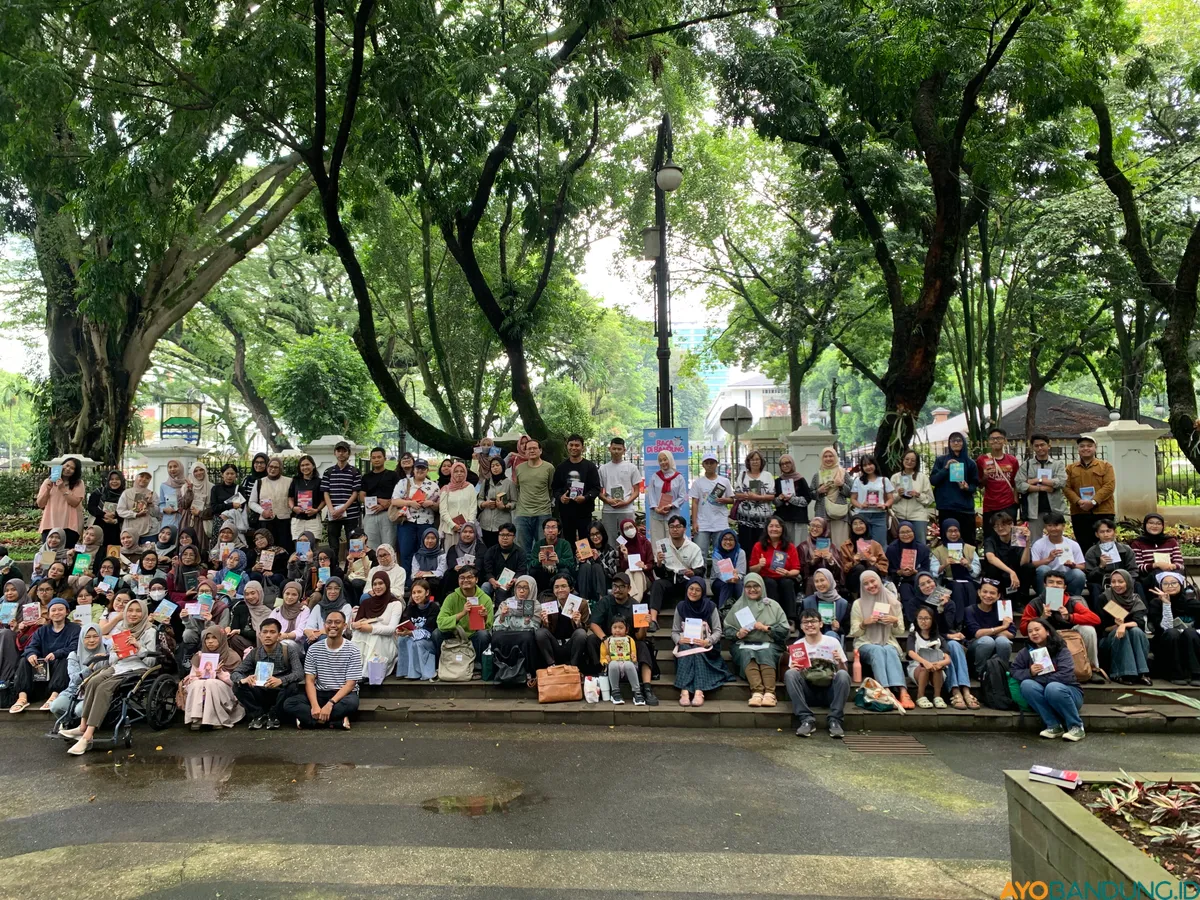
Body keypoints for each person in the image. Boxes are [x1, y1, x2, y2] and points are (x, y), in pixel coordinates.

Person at [61, 597, 157, 755]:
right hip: (119, 665)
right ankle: (82, 725)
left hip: (137, 668)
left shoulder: (149, 631)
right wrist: (117, 652)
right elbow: (112, 658)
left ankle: (88, 736)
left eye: (138, 611)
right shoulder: (120, 630)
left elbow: (151, 661)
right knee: (92, 682)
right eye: (130, 611)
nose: (133, 614)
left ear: (144, 613)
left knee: (104, 688)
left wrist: (138, 646)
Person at [284, 610, 362, 729]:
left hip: (342, 694)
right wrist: (315, 705)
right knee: (289, 703)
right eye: (329, 622)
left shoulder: (353, 650)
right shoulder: (314, 649)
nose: (333, 625)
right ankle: (335, 722)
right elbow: (309, 681)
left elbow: (350, 684)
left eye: (337, 622)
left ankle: (310, 722)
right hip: (320, 692)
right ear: (324, 625)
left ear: (345, 626)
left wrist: (330, 704)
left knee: (351, 703)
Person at [588, 573, 658, 705]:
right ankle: (601, 675)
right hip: (607, 641)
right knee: (591, 639)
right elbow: (593, 624)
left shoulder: (635, 605)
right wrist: (605, 639)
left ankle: (647, 688)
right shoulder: (605, 601)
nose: (617, 589)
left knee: (643, 645)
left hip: (629, 645)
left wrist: (644, 625)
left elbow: (640, 636)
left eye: (622, 586)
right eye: (615, 586)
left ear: (629, 589)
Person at [1012, 618, 1085, 740]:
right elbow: (1014, 671)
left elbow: (1066, 674)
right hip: (1044, 694)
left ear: (1047, 631)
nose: (1034, 633)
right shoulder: (1026, 652)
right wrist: (1030, 672)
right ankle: (1053, 725)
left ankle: (1076, 727)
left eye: (1037, 629)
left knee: (1053, 687)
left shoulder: (1061, 649)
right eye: (1030, 631)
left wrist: (1039, 679)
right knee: (1027, 685)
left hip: (1068, 693)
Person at [723, 572, 789, 708]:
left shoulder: (773, 605)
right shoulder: (738, 606)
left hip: (769, 643)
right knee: (747, 653)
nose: (752, 589)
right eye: (748, 586)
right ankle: (757, 692)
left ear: (762, 587)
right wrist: (738, 634)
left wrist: (766, 628)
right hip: (743, 644)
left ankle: (770, 693)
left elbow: (784, 630)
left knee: (766, 653)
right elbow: (727, 630)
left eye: (756, 586)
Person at [915, 571, 979, 709]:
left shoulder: (949, 603)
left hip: (944, 638)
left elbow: (947, 627)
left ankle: (965, 690)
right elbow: (921, 630)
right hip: (926, 641)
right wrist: (948, 636)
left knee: (954, 646)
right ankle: (955, 690)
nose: (927, 586)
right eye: (922, 584)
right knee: (947, 647)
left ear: (935, 582)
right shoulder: (916, 603)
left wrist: (941, 608)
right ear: (918, 588)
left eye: (930, 581)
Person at [848, 571, 912, 708]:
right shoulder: (858, 604)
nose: (870, 585)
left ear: (879, 580)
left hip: (887, 640)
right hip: (865, 642)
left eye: (873, 581)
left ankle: (903, 691)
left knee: (889, 649)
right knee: (877, 650)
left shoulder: (893, 603)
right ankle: (885, 691)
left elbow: (899, 631)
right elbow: (854, 632)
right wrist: (865, 623)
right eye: (866, 584)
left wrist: (894, 621)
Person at [1019, 570, 1102, 674]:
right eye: (1051, 582)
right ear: (1045, 585)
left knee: (1088, 630)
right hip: (1047, 638)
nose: (1055, 585)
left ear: (1064, 587)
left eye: (1059, 583)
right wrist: (1041, 618)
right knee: (1038, 632)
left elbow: (1095, 619)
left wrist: (1069, 617)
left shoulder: (1070, 601)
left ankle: (1092, 668)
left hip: (1069, 635)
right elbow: (1023, 630)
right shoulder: (1035, 603)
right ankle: (1045, 670)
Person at [785, 608, 851, 738]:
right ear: (801, 627)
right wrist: (793, 668)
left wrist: (839, 662)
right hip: (807, 691)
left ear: (820, 624)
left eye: (813, 621)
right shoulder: (798, 645)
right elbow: (794, 673)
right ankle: (806, 719)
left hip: (829, 691)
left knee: (843, 675)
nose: (809, 625)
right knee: (790, 674)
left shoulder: (832, 642)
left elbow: (844, 671)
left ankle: (835, 720)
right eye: (805, 622)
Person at [8, 597, 79, 714]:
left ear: (67, 612)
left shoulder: (74, 629)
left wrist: (56, 654)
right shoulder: (42, 630)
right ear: (49, 614)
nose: (57, 613)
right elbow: (31, 646)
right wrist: (31, 654)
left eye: (60, 609)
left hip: (59, 669)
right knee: (24, 659)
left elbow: (74, 647)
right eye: (53, 610)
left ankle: (54, 696)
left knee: (67, 659)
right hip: (41, 669)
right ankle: (22, 698)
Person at [231, 619, 304, 730]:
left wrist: (281, 681)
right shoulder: (254, 653)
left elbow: (299, 673)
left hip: (281, 691)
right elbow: (236, 672)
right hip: (261, 690)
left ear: (279, 635)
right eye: (264, 632)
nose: (268, 635)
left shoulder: (288, 650)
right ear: (260, 635)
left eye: (272, 632)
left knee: (292, 686)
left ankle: (274, 715)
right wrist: (244, 679)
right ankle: (258, 715)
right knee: (238, 685)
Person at [672, 577, 729, 706]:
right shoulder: (681, 607)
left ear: (703, 591)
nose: (693, 592)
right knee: (687, 649)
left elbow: (718, 631)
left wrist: (708, 641)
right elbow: (674, 631)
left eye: (698, 590)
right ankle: (685, 691)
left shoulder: (710, 607)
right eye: (691, 589)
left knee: (697, 652)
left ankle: (699, 690)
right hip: (686, 644)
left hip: (706, 646)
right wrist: (679, 640)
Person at [491, 574, 552, 687]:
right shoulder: (506, 603)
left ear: (532, 589)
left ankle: (527, 672)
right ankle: (501, 671)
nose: (522, 591)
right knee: (497, 636)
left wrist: (528, 620)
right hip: (507, 633)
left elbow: (534, 629)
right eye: (519, 587)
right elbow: (497, 627)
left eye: (525, 588)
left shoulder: (536, 606)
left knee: (527, 637)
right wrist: (503, 616)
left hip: (525, 635)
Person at [179, 626, 245, 729]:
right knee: (197, 683)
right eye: (207, 638)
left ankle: (216, 719)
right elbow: (192, 677)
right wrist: (198, 676)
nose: (210, 641)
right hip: (203, 689)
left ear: (221, 639)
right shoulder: (199, 656)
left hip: (226, 691)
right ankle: (197, 718)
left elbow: (236, 682)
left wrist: (220, 673)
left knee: (211, 683)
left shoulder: (232, 656)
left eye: (214, 638)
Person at [647, 515, 704, 631]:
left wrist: (692, 573)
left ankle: (690, 621)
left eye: (678, 526)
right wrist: (658, 563)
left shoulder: (693, 547)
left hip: (686, 580)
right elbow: (659, 574)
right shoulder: (662, 545)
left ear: (684, 529)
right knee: (657, 584)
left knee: (694, 584)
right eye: (672, 527)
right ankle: (653, 620)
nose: (675, 529)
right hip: (669, 579)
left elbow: (701, 570)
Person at [1099, 568, 1151, 686]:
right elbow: (1101, 627)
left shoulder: (1135, 599)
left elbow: (1140, 623)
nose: (1117, 585)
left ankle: (1142, 673)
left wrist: (1123, 625)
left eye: (1120, 582)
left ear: (1128, 582)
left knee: (1136, 631)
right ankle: (1122, 673)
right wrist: (1117, 627)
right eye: (1113, 582)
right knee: (1124, 633)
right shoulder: (1104, 598)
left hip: (1133, 636)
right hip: (1109, 640)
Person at [436, 566, 494, 670]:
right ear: (458, 580)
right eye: (462, 578)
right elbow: (440, 622)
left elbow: (489, 627)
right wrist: (462, 613)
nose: (465, 580)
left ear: (476, 580)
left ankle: (477, 665)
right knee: (437, 633)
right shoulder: (451, 598)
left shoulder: (485, 599)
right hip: (454, 634)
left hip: (473, 636)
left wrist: (484, 618)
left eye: (469, 577)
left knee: (483, 634)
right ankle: (440, 664)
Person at [49, 622, 109, 723]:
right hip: (74, 691)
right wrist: (91, 665)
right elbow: (75, 679)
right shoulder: (74, 655)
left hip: (95, 692)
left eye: (95, 636)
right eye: (87, 637)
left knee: (80, 710)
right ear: (82, 638)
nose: (91, 640)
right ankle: (69, 724)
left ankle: (86, 728)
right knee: (56, 706)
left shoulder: (108, 653)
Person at [349, 572, 405, 679]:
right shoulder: (366, 603)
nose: (377, 587)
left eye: (381, 583)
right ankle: (355, 671)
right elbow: (355, 627)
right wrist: (354, 625)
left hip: (387, 642)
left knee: (375, 636)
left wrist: (371, 628)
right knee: (359, 634)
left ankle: (366, 673)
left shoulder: (395, 604)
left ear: (387, 584)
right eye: (375, 584)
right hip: (366, 640)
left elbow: (391, 629)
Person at [1064, 437, 1115, 555]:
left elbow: (1109, 486)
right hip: (1080, 512)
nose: (1085, 448)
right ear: (1078, 449)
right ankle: (1088, 570)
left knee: (1106, 544)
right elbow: (1066, 487)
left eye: (1089, 445)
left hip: (1103, 511)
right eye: (1082, 446)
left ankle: (1108, 569)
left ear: (1095, 448)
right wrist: (1078, 501)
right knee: (1084, 544)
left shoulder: (1106, 466)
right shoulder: (1070, 469)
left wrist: (1093, 501)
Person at [1149, 572, 1200, 686]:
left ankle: (1196, 673)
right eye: (1165, 584)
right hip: (1167, 642)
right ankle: (1176, 674)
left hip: (1191, 642)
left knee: (1190, 632)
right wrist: (1166, 604)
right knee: (1172, 633)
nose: (1170, 586)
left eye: (1173, 583)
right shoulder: (1155, 603)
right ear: (1160, 586)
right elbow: (1164, 628)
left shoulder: (1193, 604)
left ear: (1181, 585)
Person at [390, 458, 439, 574]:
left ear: (427, 470)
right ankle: (407, 581)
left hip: (426, 523)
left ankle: (422, 579)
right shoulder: (403, 483)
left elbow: (438, 508)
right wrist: (409, 503)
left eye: (423, 468)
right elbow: (394, 501)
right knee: (406, 552)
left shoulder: (434, 486)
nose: (420, 471)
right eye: (418, 468)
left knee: (424, 552)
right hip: (407, 522)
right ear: (414, 469)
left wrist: (431, 504)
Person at [749, 516, 802, 624]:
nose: (774, 529)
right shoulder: (758, 546)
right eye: (771, 526)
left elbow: (796, 569)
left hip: (785, 577)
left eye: (777, 526)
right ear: (767, 529)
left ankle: (790, 619)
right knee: (770, 583)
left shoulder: (790, 546)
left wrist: (788, 573)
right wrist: (759, 565)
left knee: (786, 583)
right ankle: (774, 617)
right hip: (767, 578)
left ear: (782, 529)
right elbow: (752, 569)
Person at [930, 431, 979, 547]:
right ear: (949, 443)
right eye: (953, 440)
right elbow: (933, 480)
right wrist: (946, 468)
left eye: (959, 440)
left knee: (968, 540)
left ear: (963, 443)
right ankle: (950, 564)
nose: (956, 443)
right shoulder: (941, 461)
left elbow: (974, 485)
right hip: (946, 507)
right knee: (948, 540)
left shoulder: (970, 463)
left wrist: (967, 487)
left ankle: (969, 564)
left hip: (965, 508)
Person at [1016, 434, 1067, 544]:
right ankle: (1037, 561)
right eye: (1036, 446)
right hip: (1034, 511)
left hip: (1054, 509)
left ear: (1049, 445)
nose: (1039, 448)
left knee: (1057, 540)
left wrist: (1037, 480)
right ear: (1033, 447)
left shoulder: (1058, 464)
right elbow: (1020, 485)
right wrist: (1042, 488)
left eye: (1042, 445)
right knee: (1035, 541)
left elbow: (1061, 482)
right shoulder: (1027, 465)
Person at [551, 434, 600, 545]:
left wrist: (586, 497)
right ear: (566, 446)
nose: (574, 448)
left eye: (577, 445)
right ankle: (570, 561)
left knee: (585, 540)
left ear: (582, 447)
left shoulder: (590, 467)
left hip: (584, 511)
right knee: (568, 539)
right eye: (571, 445)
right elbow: (555, 488)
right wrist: (560, 497)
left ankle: (584, 561)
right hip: (566, 511)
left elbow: (596, 488)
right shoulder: (561, 467)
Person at [689, 451, 735, 567]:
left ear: (716, 464)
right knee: (700, 553)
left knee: (720, 553)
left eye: (712, 462)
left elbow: (732, 499)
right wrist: (694, 522)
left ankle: (719, 580)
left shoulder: (724, 481)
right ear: (703, 465)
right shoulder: (698, 483)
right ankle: (700, 581)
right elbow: (695, 502)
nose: (709, 465)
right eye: (707, 463)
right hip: (702, 523)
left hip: (720, 523)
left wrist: (724, 500)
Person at [1025, 512, 1086, 596]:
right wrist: (1048, 559)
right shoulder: (1039, 544)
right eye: (1049, 526)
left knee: (1078, 574)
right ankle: (1044, 599)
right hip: (1047, 578)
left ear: (1063, 526)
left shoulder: (1073, 544)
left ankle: (1072, 600)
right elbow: (1033, 564)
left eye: (1056, 525)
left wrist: (1073, 565)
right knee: (1043, 569)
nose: (1053, 528)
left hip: (1064, 577)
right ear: (1045, 527)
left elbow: (1082, 566)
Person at [322, 441, 363, 564]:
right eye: (339, 451)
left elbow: (355, 492)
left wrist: (343, 508)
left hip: (351, 513)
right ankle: (333, 567)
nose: (341, 453)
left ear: (349, 453)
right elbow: (325, 492)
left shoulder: (355, 472)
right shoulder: (328, 472)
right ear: (335, 453)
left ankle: (355, 569)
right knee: (333, 543)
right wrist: (331, 509)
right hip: (333, 513)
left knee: (354, 542)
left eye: (344, 451)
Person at [976, 427, 1020, 540]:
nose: (995, 441)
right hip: (990, 505)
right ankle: (990, 557)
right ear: (988, 441)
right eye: (992, 439)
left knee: (1011, 537)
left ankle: (1013, 558)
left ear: (1004, 440)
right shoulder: (982, 460)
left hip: (1008, 504)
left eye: (999, 438)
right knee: (990, 537)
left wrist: (1015, 501)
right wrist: (985, 476)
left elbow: (1016, 482)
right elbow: (980, 484)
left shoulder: (1012, 460)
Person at [964, 579, 1015, 675]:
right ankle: (980, 673)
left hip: (996, 645)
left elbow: (1011, 633)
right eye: (984, 592)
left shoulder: (1003, 608)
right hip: (976, 648)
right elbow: (978, 634)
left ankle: (1002, 673)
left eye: (992, 593)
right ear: (979, 592)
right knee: (987, 641)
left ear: (998, 596)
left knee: (1003, 641)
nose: (988, 596)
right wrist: (1002, 627)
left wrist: (989, 632)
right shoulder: (970, 610)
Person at [598, 437, 643, 546]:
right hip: (609, 510)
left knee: (629, 536)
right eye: (614, 449)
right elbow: (599, 492)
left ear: (624, 450)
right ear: (610, 449)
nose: (616, 451)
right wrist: (608, 501)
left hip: (626, 509)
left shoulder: (631, 467)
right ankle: (612, 560)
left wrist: (626, 502)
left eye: (619, 449)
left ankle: (628, 560)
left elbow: (636, 491)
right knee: (609, 537)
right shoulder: (603, 469)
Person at [512, 438, 554, 551]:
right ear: (525, 451)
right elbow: (518, 488)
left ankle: (543, 569)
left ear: (540, 451)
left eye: (534, 448)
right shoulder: (519, 468)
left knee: (544, 547)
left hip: (543, 512)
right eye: (528, 449)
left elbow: (551, 488)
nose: (532, 450)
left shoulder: (549, 468)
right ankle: (524, 569)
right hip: (522, 513)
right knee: (522, 549)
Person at [982, 512, 1034, 603]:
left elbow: (1024, 563)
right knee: (992, 568)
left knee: (1029, 567)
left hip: (1017, 574)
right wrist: (1010, 572)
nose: (1000, 528)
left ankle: (1021, 600)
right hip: (1000, 574)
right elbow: (990, 557)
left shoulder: (1018, 537)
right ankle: (998, 597)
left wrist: (1027, 544)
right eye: (996, 526)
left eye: (1003, 525)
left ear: (1011, 524)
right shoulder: (991, 540)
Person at [395, 578, 441, 681]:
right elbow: (405, 623)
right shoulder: (411, 607)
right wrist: (401, 631)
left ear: (427, 592)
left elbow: (429, 632)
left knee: (417, 642)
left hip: (430, 642)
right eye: (414, 593)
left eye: (419, 592)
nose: (416, 595)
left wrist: (411, 633)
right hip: (414, 636)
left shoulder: (434, 607)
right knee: (402, 639)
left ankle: (419, 673)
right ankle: (405, 671)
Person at [1130, 513, 1186, 595]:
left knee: (1172, 579)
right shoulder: (1137, 543)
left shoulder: (1171, 541)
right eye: (1151, 523)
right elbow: (1137, 567)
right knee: (1157, 574)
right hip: (1149, 579)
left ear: (1162, 526)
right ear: (1145, 525)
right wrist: (1155, 565)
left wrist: (1172, 566)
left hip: (1171, 574)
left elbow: (1180, 564)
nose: (1155, 526)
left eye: (1158, 523)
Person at [542, 573, 590, 668]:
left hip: (572, 644)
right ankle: (551, 665)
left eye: (564, 586)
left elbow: (586, 629)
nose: (560, 590)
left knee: (580, 633)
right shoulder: (549, 603)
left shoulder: (582, 604)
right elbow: (546, 631)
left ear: (571, 588)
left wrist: (578, 623)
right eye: (556, 587)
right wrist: (545, 623)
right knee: (540, 632)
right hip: (555, 644)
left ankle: (574, 667)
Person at [886, 521, 930, 623]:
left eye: (908, 532)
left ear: (914, 532)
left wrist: (916, 571)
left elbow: (926, 568)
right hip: (900, 579)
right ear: (898, 534)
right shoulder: (892, 549)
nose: (906, 535)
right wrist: (899, 572)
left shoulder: (922, 549)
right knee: (906, 589)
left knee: (920, 585)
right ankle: (913, 621)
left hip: (917, 578)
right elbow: (888, 569)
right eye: (902, 532)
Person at [1084, 519, 1138, 601]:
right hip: (1102, 582)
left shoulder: (1126, 549)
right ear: (1097, 534)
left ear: (1114, 532)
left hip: (1123, 580)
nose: (1106, 535)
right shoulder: (1092, 552)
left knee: (1138, 585)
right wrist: (1101, 567)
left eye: (1108, 531)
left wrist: (1126, 582)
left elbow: (1133, 570)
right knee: (1095, 587)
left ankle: (1142, 612)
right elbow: (1090, 576)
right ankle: (1100, 613)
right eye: (1102, 532)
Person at [36, 457, 85, 546]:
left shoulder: (78, 483)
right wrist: (47, 490)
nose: (68, 469)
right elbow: (40, 504)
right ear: (61, 465)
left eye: (72, 468)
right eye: (66, 465)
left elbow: (75, 502)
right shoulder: (48, 481)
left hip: (69, 525)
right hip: (49, 523)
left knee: (66, 553)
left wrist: (62, 488)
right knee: (49, 555)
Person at [734, 451, 776, 554]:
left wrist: (757, 497)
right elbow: (736, 494)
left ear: (761, 461)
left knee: (762, 546)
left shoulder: (767, 475)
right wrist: (748, 496)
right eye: (752, 460)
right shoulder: (742, 475)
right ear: (748, 462)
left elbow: (772, 495)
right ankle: (748, 569)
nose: (755, 462)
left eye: (757, 459)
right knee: (746, 546)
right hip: (745, 518)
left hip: (763, 519)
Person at [249, 456, 293, 552]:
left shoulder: (289, 481)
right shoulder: (260, 482)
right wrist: (262, 511)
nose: (272, 469)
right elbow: (251, 502)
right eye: (270, 466)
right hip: (266, 521)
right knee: (267, 548)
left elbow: (293, 499)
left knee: (284, 547)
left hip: (284, 521)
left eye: (276, 467)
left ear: (281, 468)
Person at [848, 454, 894, 547]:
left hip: (879, 515)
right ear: (862, 468)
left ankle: (880, 561)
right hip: (862, 516)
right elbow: (852, 499)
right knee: (863, 545)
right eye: (865, 465)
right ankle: (864, 561)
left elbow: (891, 499)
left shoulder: (884, 480)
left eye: (870, 464)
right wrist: (861, 505)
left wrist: (885, 505)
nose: (868, 467)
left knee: (880, 544)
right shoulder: (858, 481)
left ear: (875, 464)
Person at [358, 447, 398, 552]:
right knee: (370, 546)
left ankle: (389, 568)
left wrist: (386, 504)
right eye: (374, 457)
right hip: (370, 514)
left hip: (387, 514)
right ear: (371, 459)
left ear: (385, 458)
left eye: (379, 457)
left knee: (389, 546)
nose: (376, 459)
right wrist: (378, 501)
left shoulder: (393, 475)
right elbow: (361, 496)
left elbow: (398, 496)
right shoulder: (366, 477)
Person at [890, 450, 934, 544]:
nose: (909, 462)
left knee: (919, 544)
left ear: (916, 462)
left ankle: (921, 559)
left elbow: (930, 499)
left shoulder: (922, 477)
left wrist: (918, 495)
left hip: (918, 516)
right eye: (907, 459)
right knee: (900, 545)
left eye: (913, 460)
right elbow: (889, 499)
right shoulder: (895, 477)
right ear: (902, 460)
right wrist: (898, 495)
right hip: (899, 516)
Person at [812, 447, 852, 548]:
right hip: (822, 513)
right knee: (823, 544)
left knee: (840, 543)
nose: (828, 458)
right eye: (825, 456)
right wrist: (819, 491)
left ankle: (841, 563)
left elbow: (852, 493)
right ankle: (824, 563)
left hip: (840, 514)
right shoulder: (817, 475)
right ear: (822, 458)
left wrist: (841, 485)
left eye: (831, 456)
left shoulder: (843, 473)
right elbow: (810, 494)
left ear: (835, 457)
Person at [646, 450, 687, 548]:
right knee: (657, 540)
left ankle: (672, 562)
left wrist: (671, 505)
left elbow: (682, 496)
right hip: (657, 514)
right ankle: (658, 561)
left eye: (665, 459)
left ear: (670, 459)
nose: (663, 462)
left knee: (672, 540)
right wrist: (656, 508)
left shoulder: (679, 477)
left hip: (672, 515)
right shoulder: (655, 477)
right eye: (660, 460)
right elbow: (650, 494)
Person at [839, 515, 888, 595]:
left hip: (872, 580)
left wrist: (874, 563)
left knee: (872, 569)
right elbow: (843, 568)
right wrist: (854, 561)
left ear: (866, 525)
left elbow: (884, 569)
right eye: (855, 524)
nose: (858, 526)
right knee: (859, 568)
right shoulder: (845, 545)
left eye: (861, 523)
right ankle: (858, 597)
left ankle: (872, 595)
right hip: (853, 580)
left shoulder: (875, 545)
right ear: (851, 527)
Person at [800, 567, 850, 645]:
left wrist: (838, 628)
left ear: (830, 580)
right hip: (811, 639)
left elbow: (847, 629)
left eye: (822, 580)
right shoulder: (807, 602)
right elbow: (800, 625)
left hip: (833, 643)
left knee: (830, 635)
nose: (820, 584)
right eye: (816, 581)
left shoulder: (842, 604)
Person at [600, 618, 645, 705]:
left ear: (626, 630)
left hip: (627, 668)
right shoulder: (607, 641)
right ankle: (615, 692)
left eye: (621, 628)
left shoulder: (629, 640)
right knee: (613, 664)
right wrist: (606, 661)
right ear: (611, 629)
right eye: (615, 627)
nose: (617, 630)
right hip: (614, 670)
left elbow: (634, 656)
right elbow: (602, 658)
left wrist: (633, 657)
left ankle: (637, 692)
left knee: (629, 664)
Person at [528, 517, 576, 594]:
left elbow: (570, 563)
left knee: (564, 571)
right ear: (544, 531)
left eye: (554, 527)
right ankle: (541, 595)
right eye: (547, 527)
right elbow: (530, 564)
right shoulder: (538, 544)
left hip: (559, 572)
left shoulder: (565, 544)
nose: (550, 530)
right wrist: (539, 561)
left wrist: (558, 561)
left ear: (559, 531)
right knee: (533, 571)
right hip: (543, 573)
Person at [480, 523, 526, 604]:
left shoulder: (520, 552)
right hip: (494, 582)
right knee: (485, 586)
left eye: (508, 535)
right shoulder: (491, 551)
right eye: (502, 535)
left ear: (514, 537)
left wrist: (514, 580)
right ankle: (486, 609)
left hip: (512, 583)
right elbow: (487, 571)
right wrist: (493, 581)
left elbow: (522, 571)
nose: (505, 538)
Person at [438, 461, 479, 551]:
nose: (459, 473)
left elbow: (473, 507)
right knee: (450, 556)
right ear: (452, 473)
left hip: (467, 530)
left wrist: (468, 525)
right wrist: (453, 525)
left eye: (462, 471)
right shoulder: (446, 489)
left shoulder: (470, 487)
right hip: (450, 529)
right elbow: (443, 511)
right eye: (456, 471)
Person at [615, 517, 656, 603]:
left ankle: (630, 604)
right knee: (629, 571)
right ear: (623, 531)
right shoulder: (623, 546)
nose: (629, 529)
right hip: (630, 577)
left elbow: (651, 563)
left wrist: (644, 566)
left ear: (635, 527)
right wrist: (626, 556)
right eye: (626, 528)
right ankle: (635, 604)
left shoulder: (645, 542)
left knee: (637, 572)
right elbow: (622, 568)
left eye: (631, 526)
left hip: (645, 577)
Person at [773, 454, 811, 546]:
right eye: (782, 464)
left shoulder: (800, 479)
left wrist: (792, 499)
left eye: (787, 463)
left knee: (799, 546)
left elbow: (807, 500)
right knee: (784, 547)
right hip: (783, 519)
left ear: (792, 464)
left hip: (799, 519)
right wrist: (780, 498)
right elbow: (774, 502)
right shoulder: (778, 481)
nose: (785, 466)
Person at [478, 456, 516, 547]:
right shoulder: (486, 482)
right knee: (488, 549)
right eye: (492, 466)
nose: (495, 468)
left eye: (497, 465)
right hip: (486, 524)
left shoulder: (509, 483)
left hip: (502, 524)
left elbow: (515, 502)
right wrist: (484, 504)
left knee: (501, 549)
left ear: (503, 466)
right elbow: (479, 499)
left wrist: (505, 506)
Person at [288, 454, 326, 546]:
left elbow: (324, 500)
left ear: (313, 465)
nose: (305, 467)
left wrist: (316, 510)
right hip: (298, 519)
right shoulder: (295, 480)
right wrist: (293, 508)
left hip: (313, 519)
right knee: (299, 547)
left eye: (307, 464)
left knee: (313, 546)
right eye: (302, 465)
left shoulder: (319, 481)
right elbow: (290, 498)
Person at [443, 521, 486, 598]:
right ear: (460, 533)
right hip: (458, 575)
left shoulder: (481, 547)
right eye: (465, 532)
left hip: (473, 573)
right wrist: (455, 566)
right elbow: (451, 562)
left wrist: (471, 567)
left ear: (475, 534)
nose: (467, 535)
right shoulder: (453, 548)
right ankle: (449, 597)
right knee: (448, 574)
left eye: (471, 532)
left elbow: (480, 562)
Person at [575, 521, 616, 603]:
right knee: (585, 566)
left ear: (602, 534)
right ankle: (584, 602)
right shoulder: (584, 548)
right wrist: (580, 562)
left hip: (602, 585)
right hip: (586, 585)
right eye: (592, 535)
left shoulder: (609, 550)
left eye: (597, 533)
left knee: (597, 566)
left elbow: (612, 573)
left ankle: (601, 601)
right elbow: (576, 572)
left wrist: (598, 560)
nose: (595, 537)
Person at [87, 469, 127, 549]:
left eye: (117, 479)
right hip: (99, 526)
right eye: (112, 479)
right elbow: (91, 507)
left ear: (122, 481)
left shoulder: (125, 495)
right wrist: (103, 514)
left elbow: (127, 511)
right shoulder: (99, 492)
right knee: (97, 549)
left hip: (116, 528)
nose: (114, 481)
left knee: (114, 551)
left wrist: (115, 518)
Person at [180, 462, 213, 558]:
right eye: (195, 471)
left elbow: (213, 507)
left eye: (201, 470)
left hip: (203, 519)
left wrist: (200, 513)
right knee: (186, 541)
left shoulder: (211, 487)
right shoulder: (185, 486)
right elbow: (184, 505)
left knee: (201, 543)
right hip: (188, 518)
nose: (199, 473)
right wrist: (189, 489)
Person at [801, 517, 841, 593]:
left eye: (818, 526)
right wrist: (812, 562)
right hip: (810, 580)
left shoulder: (831, 546)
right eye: (812, 526)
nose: (814, 529)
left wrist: (830, 561)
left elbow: (838, 573)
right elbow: (801, 571)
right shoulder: (803, 546)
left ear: (824, 529)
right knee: (812, 581)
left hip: (828, 579)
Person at [710, 529, 746, 612]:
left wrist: (737, 577)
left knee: (738, 584)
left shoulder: (740, 552)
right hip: (718, 581)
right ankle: (723, 613)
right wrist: (728, 579)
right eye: (725, 539)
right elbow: (718, 573)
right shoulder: (716, 554)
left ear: (735, 541)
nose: (728, 542)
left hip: (736, 580)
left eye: (731, 539)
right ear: (721, 540)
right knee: (727, 585)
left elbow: (741, 572)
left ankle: (742, 612)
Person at [118, 471, 160, 541]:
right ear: (136, 477)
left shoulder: (152, 494)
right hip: (129, 531)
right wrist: (135, 514)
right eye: (141, 476)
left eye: (147, 478)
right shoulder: (126, 493)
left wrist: (150, 504)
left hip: (149, 531)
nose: (144, 479)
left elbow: (157, 514)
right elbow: (120, 511)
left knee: (148, 551)